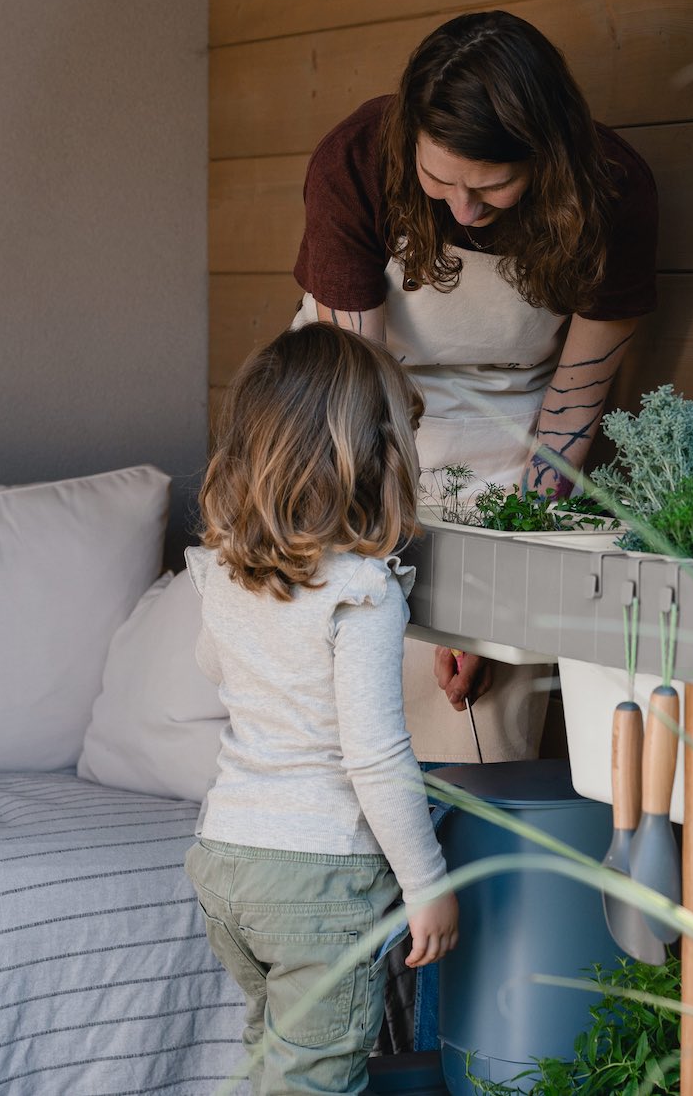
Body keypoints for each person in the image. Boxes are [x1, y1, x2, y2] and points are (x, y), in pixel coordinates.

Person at [293, 9, 659, 765]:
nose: (463, 211)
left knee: (480, 721)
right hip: (358, 417)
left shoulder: (615, 194)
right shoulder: (356, 160)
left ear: (548, 160)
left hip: (513, 434)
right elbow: (360, 407)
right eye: (440, 181)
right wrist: (395, 591)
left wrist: (489, 610)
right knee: (346, 670)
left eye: (493, 189)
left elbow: (573, 405)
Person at [182, 323, 458, 1094]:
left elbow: (214, 664)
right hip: (317, 881)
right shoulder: (363, 595)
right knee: (313, 1077)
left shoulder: (228, 572)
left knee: (275, 1062)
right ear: (377, 460)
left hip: (226, 861)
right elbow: (373, 756)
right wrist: (427, 883)